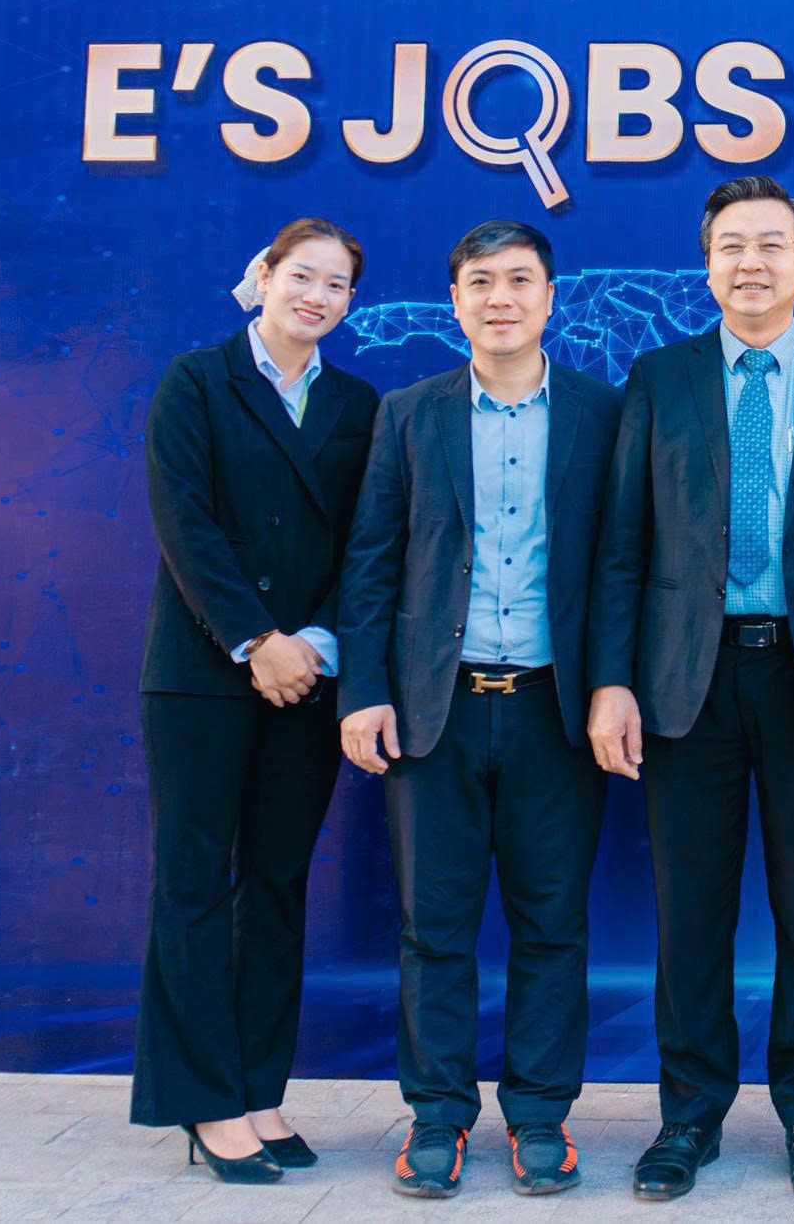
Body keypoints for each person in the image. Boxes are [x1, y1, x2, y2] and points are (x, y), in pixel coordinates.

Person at [587, 175, 794, 1204]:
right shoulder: (660, 377)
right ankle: (689, 1115)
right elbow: (621, 549)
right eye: (732, 245)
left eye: (772, 244)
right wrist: (611, 681)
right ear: (706, 264)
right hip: (685, 682)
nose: (752, 263)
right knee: (691, 912)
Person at [334, 221, 624, 1200]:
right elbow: (371, 563)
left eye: (519, 280)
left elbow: (622, 565)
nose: (501, 298)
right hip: (435, 711)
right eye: (481, 282)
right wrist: (364, 691)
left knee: (553, 925)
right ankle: (437, 1115)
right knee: (434, 927)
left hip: (556, 712)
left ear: (550, 297)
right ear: (455, 300)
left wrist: (613, 685)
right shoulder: (408, 414)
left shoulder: (600, 412)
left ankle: (540, 1114)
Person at [130, 220, 379, 1183]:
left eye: (336, 284)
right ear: (264, 276)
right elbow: (184, 521)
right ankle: (206, 1102)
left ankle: (260, 1090)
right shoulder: (196, 381)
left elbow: (370, 540)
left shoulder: (357, 402)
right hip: (202, 673)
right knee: (193, 883)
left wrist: (313, 643)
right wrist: (255, 640)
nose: (316, 295)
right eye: (301, 275)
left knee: (276, 885)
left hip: (308, 678)